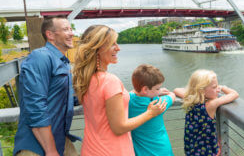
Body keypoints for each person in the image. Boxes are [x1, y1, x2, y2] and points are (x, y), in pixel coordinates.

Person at [72, 25, 167, 156]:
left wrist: (146, 92)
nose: (118, 48)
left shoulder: (85, 79)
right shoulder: (110, 81)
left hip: (90, 149)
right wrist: (150, 113)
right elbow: (119, 128)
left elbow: (106, 102)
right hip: (113, 150)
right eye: (113, 44)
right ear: (98, 48)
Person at [13, 16, 79, 156]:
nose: (72, 33)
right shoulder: (40, 57)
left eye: (71, 29)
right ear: (50, 35)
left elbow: (67, 99)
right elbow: (35, 107)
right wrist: (50, 150)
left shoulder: (63, 62)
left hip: (60, 139)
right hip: (36, 146)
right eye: (66, 29)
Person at [174, 70, 239, 156]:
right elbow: (234, 94)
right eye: (214, 87)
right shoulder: (211, 104)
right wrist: (223, 87)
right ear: (202, 90)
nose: (217, 90)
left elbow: (176, 90)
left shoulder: (190, 99)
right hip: (208, 152)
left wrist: (193, 90)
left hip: (191, 150)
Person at [129, 64, 176, 156]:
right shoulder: (158, 103)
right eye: (157, 88)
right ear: (145, 89)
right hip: (162, 150)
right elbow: (172, 96)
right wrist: (160, 93)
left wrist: (154, 91)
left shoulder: (128, 101)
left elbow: (132, 92)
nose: (159, 91)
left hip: (141, 152)